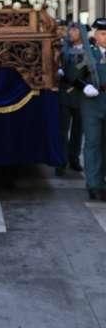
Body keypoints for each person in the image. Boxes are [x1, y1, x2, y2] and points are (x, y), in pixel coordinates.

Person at [72, 18, 106, 200]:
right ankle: (94, 184)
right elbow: (73, 75)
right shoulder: (87, 54)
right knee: (93, 143)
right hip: (92, 103)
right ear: (95, 35)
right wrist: (84, 86)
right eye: (103, 33)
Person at [56, 22, 86, 176]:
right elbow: (57, 64)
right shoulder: (63, 48)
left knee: (78, 130)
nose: (71, 32)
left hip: (81, 96)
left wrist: (69, 75)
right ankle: (61, 161)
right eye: (71, 30)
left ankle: (74, 159)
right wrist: (59, 70)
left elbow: (80, 70)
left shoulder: (89, 51)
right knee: (62, 130)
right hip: (64, 95)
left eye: (75, 30)